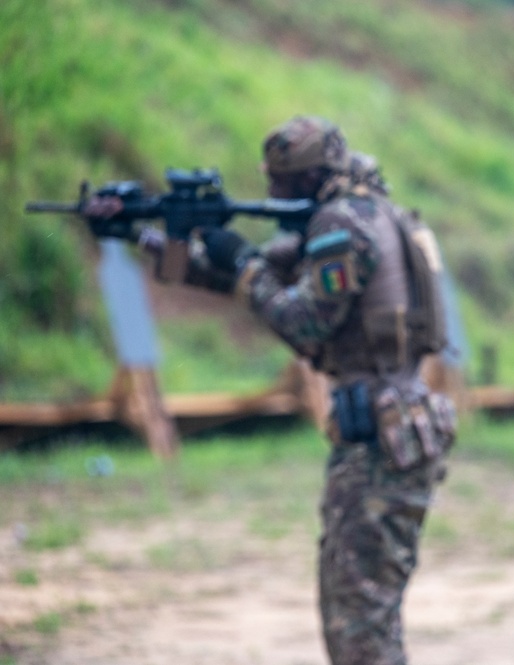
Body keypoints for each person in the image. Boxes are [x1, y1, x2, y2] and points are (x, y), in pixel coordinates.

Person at [108, 116, 456, 665]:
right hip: (392, 430)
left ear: (309, 177)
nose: (270, 191)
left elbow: (303, 321)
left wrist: (244, 262)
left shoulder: (342, 225)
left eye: (280, 180)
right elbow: (236, 275)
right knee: (364, 612)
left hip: (381, 437)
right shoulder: (364, 211)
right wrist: (145, 236)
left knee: (359, 623)